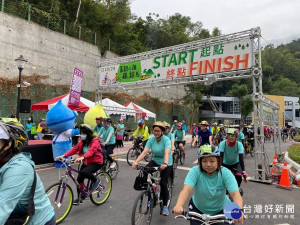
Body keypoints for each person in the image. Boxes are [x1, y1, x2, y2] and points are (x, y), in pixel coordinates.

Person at [0, 120, 55, 225]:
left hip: (38, 221)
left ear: (8, 145)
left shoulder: (19, 168)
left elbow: (3, 207)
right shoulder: (2, 160)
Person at [173, 145, 244, 225]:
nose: (208, 164)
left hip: (222, 209)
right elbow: (186, 190)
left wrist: (239, 210)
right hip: (198, 210)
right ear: (200, 162)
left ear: (218, 161)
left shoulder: (225, 173)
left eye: (212, 161)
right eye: (204, 161)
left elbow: (235, 193)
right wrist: (179, 205)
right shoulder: (195, 171)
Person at [56, 124, 103, 205]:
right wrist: (63, 155)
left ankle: (96, 181)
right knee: (79, 180)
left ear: (88, 134)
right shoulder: (82, 142)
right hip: (86, 161)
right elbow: (74, 149)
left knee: (84, 172)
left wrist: (83, 157)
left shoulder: (95, 141)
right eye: (81, 133)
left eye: (83, 133)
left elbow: (91, 151)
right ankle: (80, 198)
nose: (82, 135)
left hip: (96, 162)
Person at [132, 122, 172, 216]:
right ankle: (149, 188)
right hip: (155, 160)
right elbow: (145, 152)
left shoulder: (166, 140)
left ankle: (165, 206)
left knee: (163, 183)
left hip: (166, 163)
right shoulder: (151, 139)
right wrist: (136, 162)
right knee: (145, 170)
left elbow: (167, 153)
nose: (156, 132)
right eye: (154, 131)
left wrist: (165, 163)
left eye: (158, 131)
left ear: (162, 131)